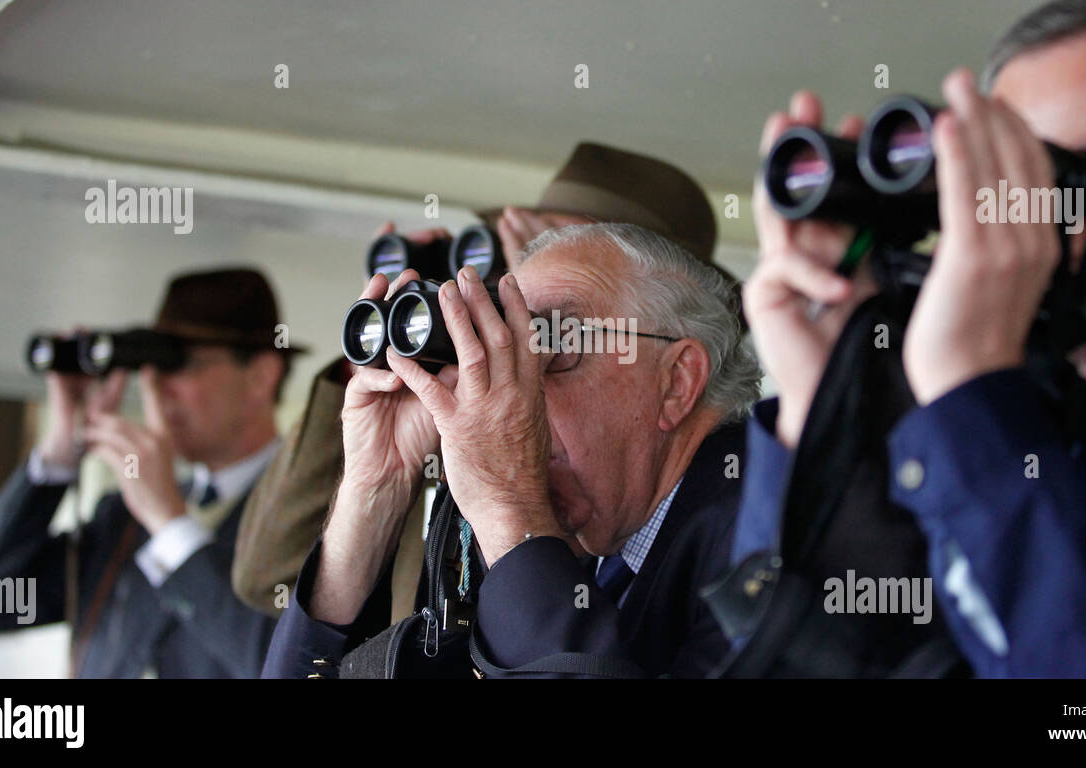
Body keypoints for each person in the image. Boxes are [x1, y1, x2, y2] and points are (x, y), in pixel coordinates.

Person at [735, 0, 1086, 677]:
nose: (1037, 250)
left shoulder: (993, 439)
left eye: (1083, 189)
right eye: (1005, 193)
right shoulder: (1036, 439)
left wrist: (976, 414)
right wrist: (833, 414)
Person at [231, 141, 730, 622]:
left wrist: (526, 327)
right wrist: (395, 355)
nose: (533, 265)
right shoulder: (456, 421)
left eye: (573, 248)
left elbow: (561, 607)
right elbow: (269, 579)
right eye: (534, 247)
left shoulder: (669, 514)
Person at [263, 223, 761, 678]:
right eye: (501, 347)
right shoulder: (574, 537)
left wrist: (509, 507)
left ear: (676, 381)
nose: (512, 393)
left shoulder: (764, 536)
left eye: (549, 345)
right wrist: (376, 491)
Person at [0, 269, 296, 678]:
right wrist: (59, 453)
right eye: (153, 367)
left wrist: (170, 525)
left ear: (260, 377)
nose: (157, 387)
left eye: (180, 363)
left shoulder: (315, 513)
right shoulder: (122, 516)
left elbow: (293, 664)